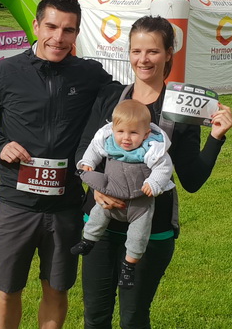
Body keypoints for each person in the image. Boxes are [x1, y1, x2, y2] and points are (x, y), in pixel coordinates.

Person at [72, 16, 232, 329]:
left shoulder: (180, 108)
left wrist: (216, 137)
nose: (144, 59)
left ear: (169, 56)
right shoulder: (111, 97)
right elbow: (86, 151)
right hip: (102, 224)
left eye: (153, 51)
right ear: (128, 54)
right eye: (137, 50)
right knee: (94, 313)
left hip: (151, 231)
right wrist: (94, 189)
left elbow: (192, 179)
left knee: (132, 317)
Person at [0, 0, 111, 329]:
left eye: (68, 30)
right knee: (8, 286)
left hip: (65, 204)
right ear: (36, 25)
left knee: (57, 286)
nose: (58, 38)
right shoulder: (7, 71)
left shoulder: (89, 75)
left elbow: (128, 100)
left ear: (76, 33)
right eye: (51, 27)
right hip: (15, 201)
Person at [70, 99, 175, 289]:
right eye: (121, 132)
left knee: (139, 234)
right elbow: (93, 149)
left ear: (146, 133)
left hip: (139, 204)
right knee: (97, 214)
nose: (126, 138)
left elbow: (164, 168)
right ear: (113, 130)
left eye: (134, 133)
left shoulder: (153, 148)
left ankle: (129, 266)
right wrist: (88, 162)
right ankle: (88, 241)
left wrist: (153, 182)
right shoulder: (109, 141)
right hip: (112, 194)